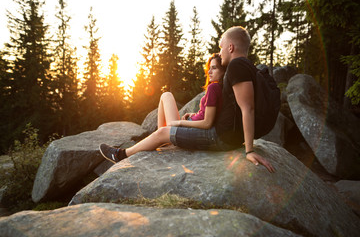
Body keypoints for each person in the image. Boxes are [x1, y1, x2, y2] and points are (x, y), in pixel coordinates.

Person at [100, 26, 275, 173]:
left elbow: (248, 108)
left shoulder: (238, 66)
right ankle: (167, 139)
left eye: (221, 48)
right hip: (225, 135)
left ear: (230, 47)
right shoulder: (245, 67)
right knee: (166, 125)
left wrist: (249, 150)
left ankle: (121, 155)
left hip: (220, 137)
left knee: (162, 132)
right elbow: (233, 108)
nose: (220, 53)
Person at [100, 53, 225, 161]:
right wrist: (193, 115)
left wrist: (181, 123)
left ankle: (121, 155)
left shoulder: (214, 87)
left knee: (164, 116)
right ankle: (164, 139)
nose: (209, 72)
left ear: (223, 70)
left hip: (192, 130)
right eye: (209, 68)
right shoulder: (219, 87)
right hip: (192, 125)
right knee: (166, 95)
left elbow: (207, 123)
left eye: (214, 68)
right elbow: (211, 114)